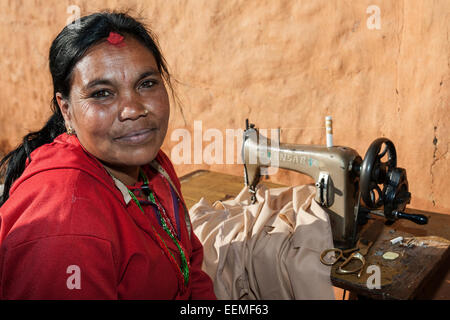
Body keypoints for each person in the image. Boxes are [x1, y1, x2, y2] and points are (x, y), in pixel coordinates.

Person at [0, 11, 216, 300]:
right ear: (66, 110)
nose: (133, 109)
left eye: (146, 84)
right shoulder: (67, 227)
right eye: (102, 93)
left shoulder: (153, 167)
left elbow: (190, 271)